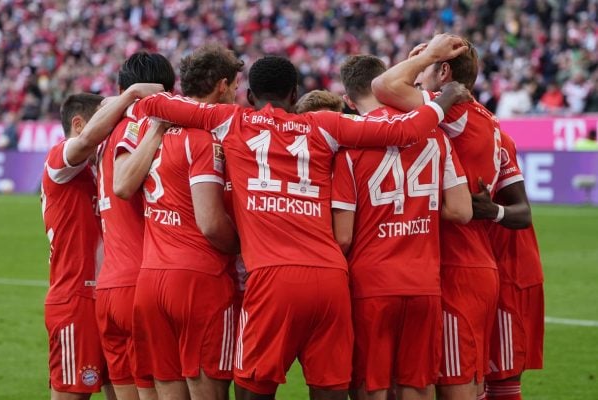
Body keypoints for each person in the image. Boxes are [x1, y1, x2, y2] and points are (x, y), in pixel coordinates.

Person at [129, 46, 470, 399]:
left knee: (251, 389)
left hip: (271, 279)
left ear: (250, 96)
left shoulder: (231, 120)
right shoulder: (325, 125)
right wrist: (443, 100)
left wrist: (138, 92)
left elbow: (155, 105)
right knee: (330, 391)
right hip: (329, 280)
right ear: (295, 95)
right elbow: (403, 131)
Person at [330, 54, 471, 400]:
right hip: (424, 282)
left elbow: (343, 236)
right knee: (417, 385)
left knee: (370, 386)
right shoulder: (436, 136)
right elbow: (461, 210)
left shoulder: (349, 147)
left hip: (371, 284)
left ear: (349, 100)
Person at [372, 33, 503, 400]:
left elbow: (382, 86)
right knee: (469, 384)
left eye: (426, 70)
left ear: (444, 72)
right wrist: (421, 59)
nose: (417, 79)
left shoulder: (454, 109)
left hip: (456, 263)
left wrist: (426, 56)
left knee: (451, 386)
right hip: (476, 260)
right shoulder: (486, 118)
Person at [121, 44, 243, 400]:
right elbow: (210, 223)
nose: (237, 95)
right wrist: (246, 243)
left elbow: (122, 186)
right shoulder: (205, 138)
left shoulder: (152, 129)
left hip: (151, 279)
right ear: (222, 85)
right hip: (199, 280)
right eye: (236, 87)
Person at [41, 83, 163, 400]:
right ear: (79, 123)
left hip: (109, 294)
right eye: (106, 118)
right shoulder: (59, 160)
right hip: (75, 299)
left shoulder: (102, 171)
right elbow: (85, 141)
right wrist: (129, 95)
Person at [94, 51, 175, 400]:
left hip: (109, 286)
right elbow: (124, 185)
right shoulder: (138, 124)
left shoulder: (103, 131)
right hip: (140, 283)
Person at [470, 131, 544, 400]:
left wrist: (493, 211)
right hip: (470, 271)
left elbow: (523, 213)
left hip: (509, 272)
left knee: (501, 379)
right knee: (467, 377)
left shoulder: (494, 138)